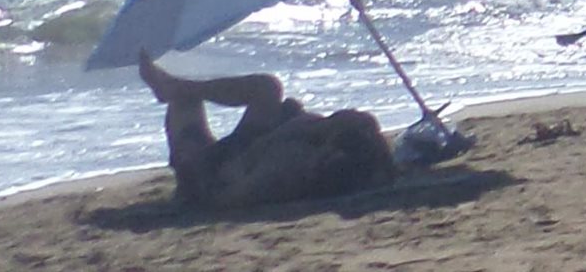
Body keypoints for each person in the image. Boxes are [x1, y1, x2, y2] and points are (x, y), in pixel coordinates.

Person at [139, 55, 397, 212]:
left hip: (215, 171)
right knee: (267, 87)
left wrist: (195, 180)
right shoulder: (328, 138)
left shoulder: (292, 165)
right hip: (249, 149)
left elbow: (231, 197)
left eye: (344, 115)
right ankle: (174, 87)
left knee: (185, 105)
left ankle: (173, 90)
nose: (346, 110)